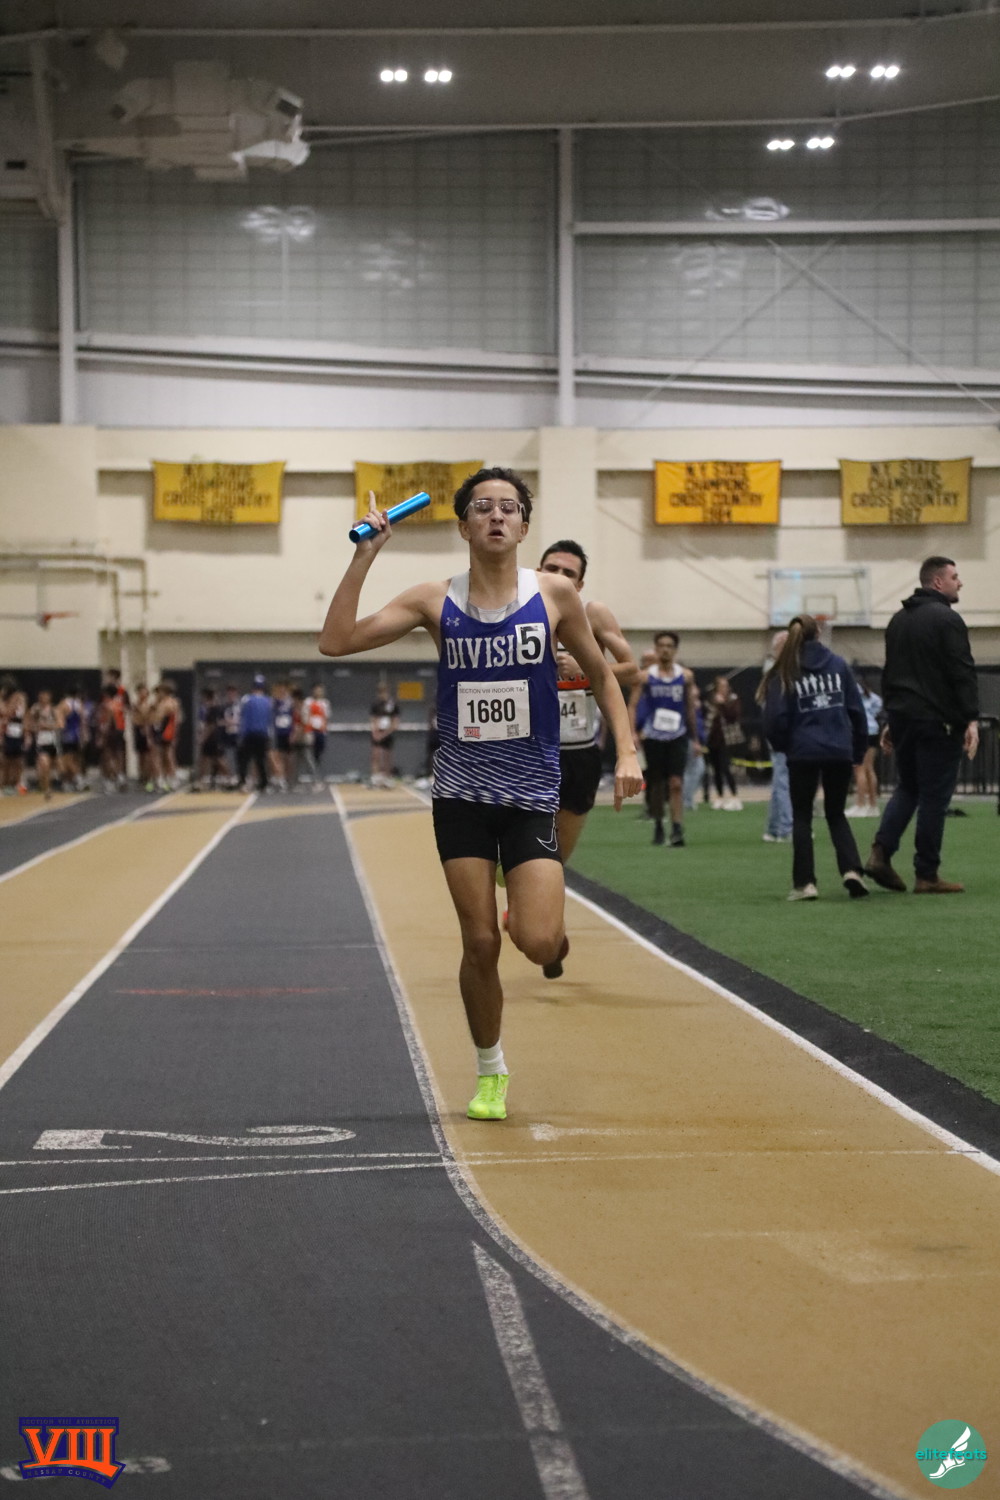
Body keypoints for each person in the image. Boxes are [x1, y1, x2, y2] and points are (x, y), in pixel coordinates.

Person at [318, 466, 642, 1123]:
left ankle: (536, 915)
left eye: (509, 508)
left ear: (524, 527)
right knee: (480, 943)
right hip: (462, 796)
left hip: (531, 794)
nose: (496, 515)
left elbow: (605, 676)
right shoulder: (434, 600)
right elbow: (336, 641)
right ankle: (490, 1070)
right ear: (464, 525)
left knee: (538, 942)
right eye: (483, 507)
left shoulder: (554, 594)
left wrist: (628, 750)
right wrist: (364, 556)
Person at [865, 556, 979, 895]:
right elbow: (961, 672)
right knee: (934, 797)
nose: (960, 582)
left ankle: (880, 852)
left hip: (903, 717)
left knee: (909, 788)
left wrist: (891, 718)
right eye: (955, 577)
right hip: (937, 720)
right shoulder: (948, 619)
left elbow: (890, 673)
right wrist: (971, 718)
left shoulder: (898, 621)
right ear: (938, 582)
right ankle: (927, 873)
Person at [537, 539, 638, 861]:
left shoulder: (593, 613)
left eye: (568, 573)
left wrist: (586, 667)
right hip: (529, 749)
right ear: (538, 571)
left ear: (579, 584)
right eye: (552, 568)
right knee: (525, 852)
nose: (559, 576)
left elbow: (632, 670)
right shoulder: (519, 612)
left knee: (558, 857)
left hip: (577, 751)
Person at [760, 615, 869, 902]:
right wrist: (857, 750)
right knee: (836, 814)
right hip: (838, 749)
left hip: (802, 752)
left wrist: (784, 745)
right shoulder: (839, 665)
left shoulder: (786, 670)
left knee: (802, 817)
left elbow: (774, 718)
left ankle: (805, 883)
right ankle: (852, 870)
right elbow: (857, 712)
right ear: (819, 633)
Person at [629, 631, 699, 846]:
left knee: (676, 782)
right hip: (653, 736)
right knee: (657, 783)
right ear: (656, 648)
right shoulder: (645, 676)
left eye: (669, 646)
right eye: (661, 646)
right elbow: (632, 705)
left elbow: (690, 707)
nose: (665, 650)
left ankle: (677, 828)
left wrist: (696, 738)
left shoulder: (685, 676)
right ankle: (659, 823)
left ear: (675, 650)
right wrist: (632, 733)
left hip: (678, 734)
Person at [762, 630, 793, 842]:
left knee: (779, 779)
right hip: (780, 731)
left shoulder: (777, 669)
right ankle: (786, 828)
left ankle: (773, 828)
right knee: (784, 780)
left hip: (779, 729)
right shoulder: (776, 670)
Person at [704, 675, 743, 810]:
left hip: (727, 740)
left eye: (725, 686)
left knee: (726, 768)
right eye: (721, 686)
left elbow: (732, 717)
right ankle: (719, 796)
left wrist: (722, 704)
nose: (724, 689)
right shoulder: (711, 700)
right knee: (716, 770)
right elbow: (707, 717)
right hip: (713, 739)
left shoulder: (733, 699)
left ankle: (734, 796)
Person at [847, 677, 884, 818]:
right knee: (869, 768)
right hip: (873, 730)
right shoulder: (870, 695)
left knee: (859, 768)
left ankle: (860, 804)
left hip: (861, 731)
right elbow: (878, 704)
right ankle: (873, 805)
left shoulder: (853, 690)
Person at [237, 675, 274, 792]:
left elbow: (244, 718)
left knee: (244, 759)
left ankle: (243, 782)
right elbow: (269, 720)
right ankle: (264, 783)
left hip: (249, 733)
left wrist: (241, 734)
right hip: (262, 734)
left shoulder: (247, 699)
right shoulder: (268, 701)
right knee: (261, 760)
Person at [28, 690, 60, 800]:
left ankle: (47, 783)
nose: (43, 699)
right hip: (41, 741)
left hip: (53, 741)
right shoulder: (35, 709)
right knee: (44, 765)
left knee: (54, 767)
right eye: (41, 697)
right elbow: (29, 723)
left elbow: (59, 724)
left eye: (46, 697)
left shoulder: (53, 710)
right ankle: (47, 789)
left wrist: (47, 726)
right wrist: (35, 726)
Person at [57, 685, 88, 792]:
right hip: (76, 735)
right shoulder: (79, 704)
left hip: (67, 735)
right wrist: (84, 735)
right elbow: (83, 721)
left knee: (66, 760)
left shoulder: (64, 704)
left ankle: (78, 779)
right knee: (74, 759)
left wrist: (58, 730)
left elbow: (61, 721)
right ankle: (69, 781)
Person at [369, 678, 399, 788]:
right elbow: (373, 720)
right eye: (380, 692)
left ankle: (387, 778)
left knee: (387, 756)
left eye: (384, 691)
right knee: (375, 755)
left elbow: (395, 722)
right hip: (377, 732)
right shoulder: (375, 704)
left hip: (388, 732)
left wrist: (385, 733)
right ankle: (375, 778)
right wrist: (375, 733)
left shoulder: (393, 705)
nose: (382, 694)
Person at [304, 682, 331, 784]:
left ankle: (318, 774)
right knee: (310, 753)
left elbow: (326, 717)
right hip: (311, 731)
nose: (318, 692)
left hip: (321, 731)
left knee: (319, 754)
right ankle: (313, 775)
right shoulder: (308, 702)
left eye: (320, 690)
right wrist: (307, 731)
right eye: (317, 690)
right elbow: (306, 717)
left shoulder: (325, 703)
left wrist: (324, 730)